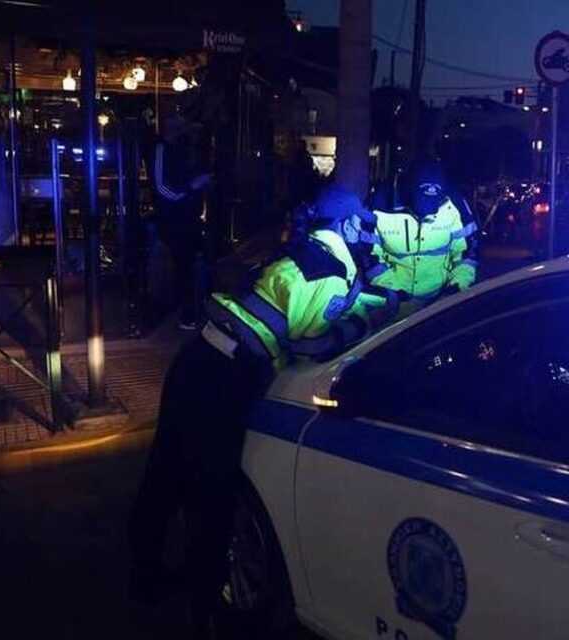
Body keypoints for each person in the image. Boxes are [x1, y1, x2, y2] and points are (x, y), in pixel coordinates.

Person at [128, 183, 390, 634]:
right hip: (225, 380)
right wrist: (360, 325)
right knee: (212, 495)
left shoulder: (302, 251)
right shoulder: (333, 270)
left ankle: (144, 575)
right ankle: (205, 611)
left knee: (164, 472)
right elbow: (309, 344)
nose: (363, 234)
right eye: (359, 225)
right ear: (347, 224)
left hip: (196, 360)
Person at [367, 161, 479, 317]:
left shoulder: (455, 206)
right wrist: (396, 297)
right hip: (392, 302)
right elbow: (368, 257)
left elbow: (467, 254)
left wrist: (454, 291)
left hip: (441, 301)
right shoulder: (379, 206)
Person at [152, 111, 213, 330]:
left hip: (188, 216)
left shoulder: (181, 149)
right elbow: (161, 187)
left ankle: (192, 311)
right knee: (184, 266)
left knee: (192, 264)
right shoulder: (162, 148)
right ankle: (186, 314)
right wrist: (190, 188)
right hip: (174, 218)